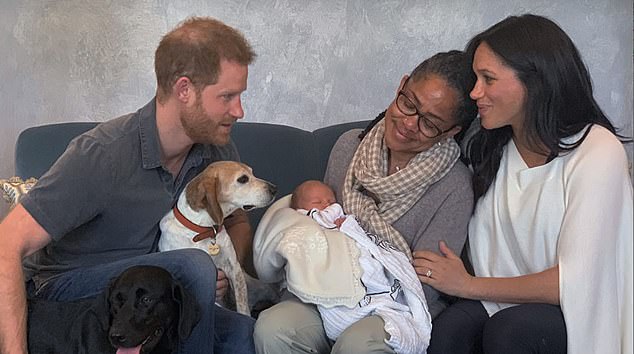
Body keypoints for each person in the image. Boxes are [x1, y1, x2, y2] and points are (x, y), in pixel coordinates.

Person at [0, 17, 258, 354]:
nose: (239, 110)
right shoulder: (102, 154)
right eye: (227, 96)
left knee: (243, 332)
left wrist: (221, 264)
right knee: (192, 265)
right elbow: (7, 243)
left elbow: (237, 221)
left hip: (149, 295)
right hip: (69, 292)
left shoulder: (217, 149)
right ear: (184, 90)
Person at [416, 14, 633, 354]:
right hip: (498, 300)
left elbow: (573, 282)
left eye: (488, 79)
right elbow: (416, 145)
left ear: (536, 82)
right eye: (476, 78)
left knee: (511, 331)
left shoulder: (597, 151)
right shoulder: (489, 145)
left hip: (579, 312)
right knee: (448, 330)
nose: (475, 92)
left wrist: (467, 285)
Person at [254, 50, 479, 354]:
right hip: (330, 285)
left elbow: (423, 283)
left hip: (394, 303)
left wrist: (362, 292)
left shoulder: (454, 186)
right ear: (401, 85)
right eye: (408, 103)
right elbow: (325, 227)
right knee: (274, 327)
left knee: (357, 345)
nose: (409, 123)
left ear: (451, 131)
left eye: (429, 123)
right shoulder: (349, 146)